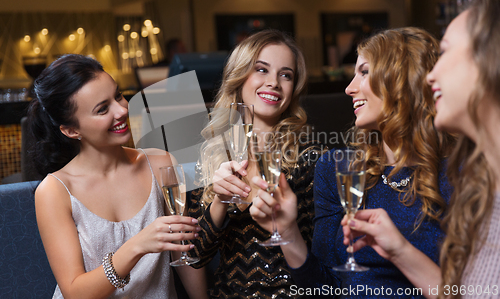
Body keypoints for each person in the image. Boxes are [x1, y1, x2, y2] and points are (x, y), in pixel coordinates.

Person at [250, 27, 456, 298]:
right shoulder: (337, 168)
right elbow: (325, 290)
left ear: (402, 79)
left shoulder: (461, 174)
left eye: (365, 72)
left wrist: (400, 252)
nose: (349, 88)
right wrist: (288, 232)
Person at [337, 0, 500, 299]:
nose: (431, 75)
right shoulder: (486, 182)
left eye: (446, 54)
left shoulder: (467, 177)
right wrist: (399, 251)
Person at [29, 54, 207, 299]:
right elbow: (74, 293)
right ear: (71, 130)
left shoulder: (161, 164)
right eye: (103, 109)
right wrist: (136, 246)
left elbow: (184, 252)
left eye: (118, 95)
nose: (122, 110)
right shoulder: (55, 191)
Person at [187, 29, 324, 298]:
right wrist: (220, 200)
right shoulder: (209, 155)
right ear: (239, 77)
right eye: (261, 70)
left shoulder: (311, 157)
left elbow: (320, 260)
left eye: (286, 75)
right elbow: (193, 257)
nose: (274, 82)